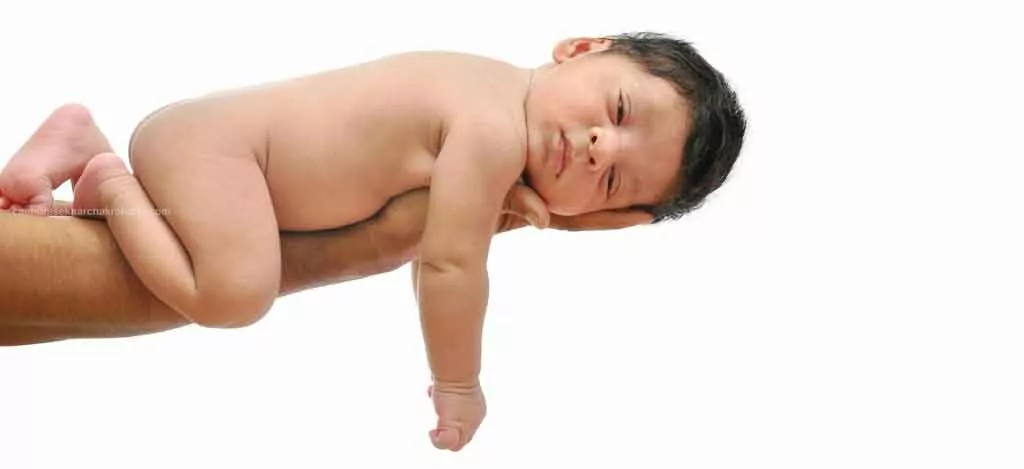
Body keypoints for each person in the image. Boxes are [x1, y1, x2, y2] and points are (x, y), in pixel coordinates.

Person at [0, 31, 747, 451]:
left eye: (613, 180)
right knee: (233, 291)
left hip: (220, 162)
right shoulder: (489, 128)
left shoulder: (486, 91)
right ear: (582, 46)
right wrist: (459, 384)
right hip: (216, 156)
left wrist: (584, 220)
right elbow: (455, 265)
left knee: (191, 266)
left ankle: (88, 174)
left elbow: (429, 251)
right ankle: (100, 169)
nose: (594, 146)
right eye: (616, 109)